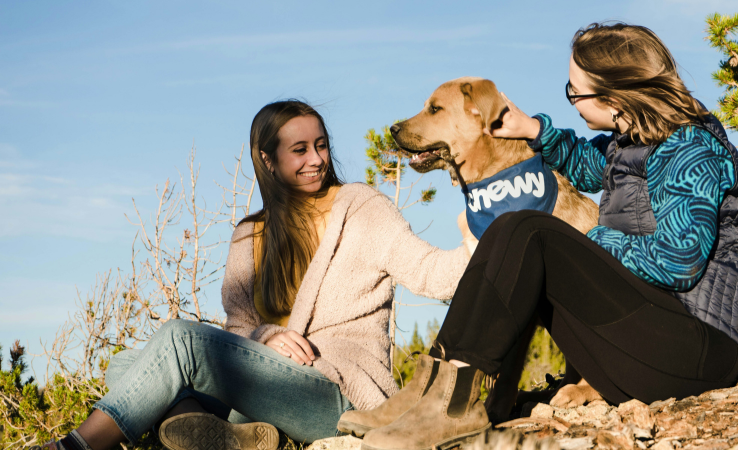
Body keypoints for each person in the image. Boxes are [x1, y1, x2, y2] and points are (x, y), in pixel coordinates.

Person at [343, 22, 738, 450]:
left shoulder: (691, 149)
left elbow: (678, 260)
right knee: (514, 227)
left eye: (575, 92)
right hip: (647, 340)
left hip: (696, 352)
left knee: (528, 229)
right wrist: (533, 131)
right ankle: (435, 391)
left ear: (614, 97)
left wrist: (590, 241)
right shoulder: (630, 142)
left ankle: (450, 406)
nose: (571, 101)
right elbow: (584, 165)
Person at [36, 100, 470, 450]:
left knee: (178, 341)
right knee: (125, 366)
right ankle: (231, 440)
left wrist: (476, 239)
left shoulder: (360, 207)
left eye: (321, 145)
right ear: (267, 159)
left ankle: (75, 447)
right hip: (261, 393)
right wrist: (266, 336)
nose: (316, 160)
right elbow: (240, 328)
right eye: (299, 150)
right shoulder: (250, 234)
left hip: (336, 391)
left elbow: (432, 274)